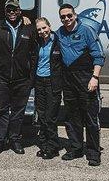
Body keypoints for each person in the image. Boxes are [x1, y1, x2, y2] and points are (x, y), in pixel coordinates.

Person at [0, 0, 38, 155]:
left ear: (20, 11)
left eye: (15, 10)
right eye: (9, 10)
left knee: (18, 111)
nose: (12, 12)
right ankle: (0, 141)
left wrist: (31, 76)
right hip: (0, 77)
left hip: (22, 79)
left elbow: (34, 54)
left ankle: (15, 140)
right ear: (5, 11)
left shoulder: (29, 29)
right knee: (0, 110)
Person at [55, 3, 105, 166]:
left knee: (90, 118)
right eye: (63, 17)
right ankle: (76, 148)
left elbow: (99, 56)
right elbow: (44, 34)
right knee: (72, 117)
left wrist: (95, 78)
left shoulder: (86, 31)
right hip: (68, 80)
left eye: (69, 15)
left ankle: (93, 152)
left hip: (86, 78)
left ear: (75, 15)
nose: (66, 19)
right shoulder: (59, 33)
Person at [34, 17, 63, 160]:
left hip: (53, 82)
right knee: (42, 115)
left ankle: (53, 147)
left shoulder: (59, 42)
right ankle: (45, 144)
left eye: (44, 28)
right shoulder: (37, 42)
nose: (42, 31)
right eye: (39, 29)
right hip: (39, 81)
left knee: (51, 116)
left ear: (49, 27)